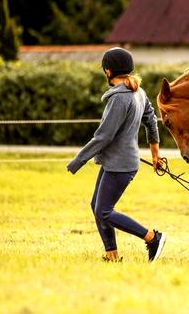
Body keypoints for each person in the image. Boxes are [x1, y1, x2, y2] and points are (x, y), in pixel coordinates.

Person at [66, 47, 166, 262]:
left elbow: (104, 136)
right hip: (118, 162)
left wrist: (78, 160)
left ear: (108, 72)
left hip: (120, 165)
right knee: (97, 206)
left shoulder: (119, 98)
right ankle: (111, 255)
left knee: (104, 211)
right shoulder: (138, 92)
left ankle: (152, 238)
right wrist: (155, 155)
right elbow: (151, 121)